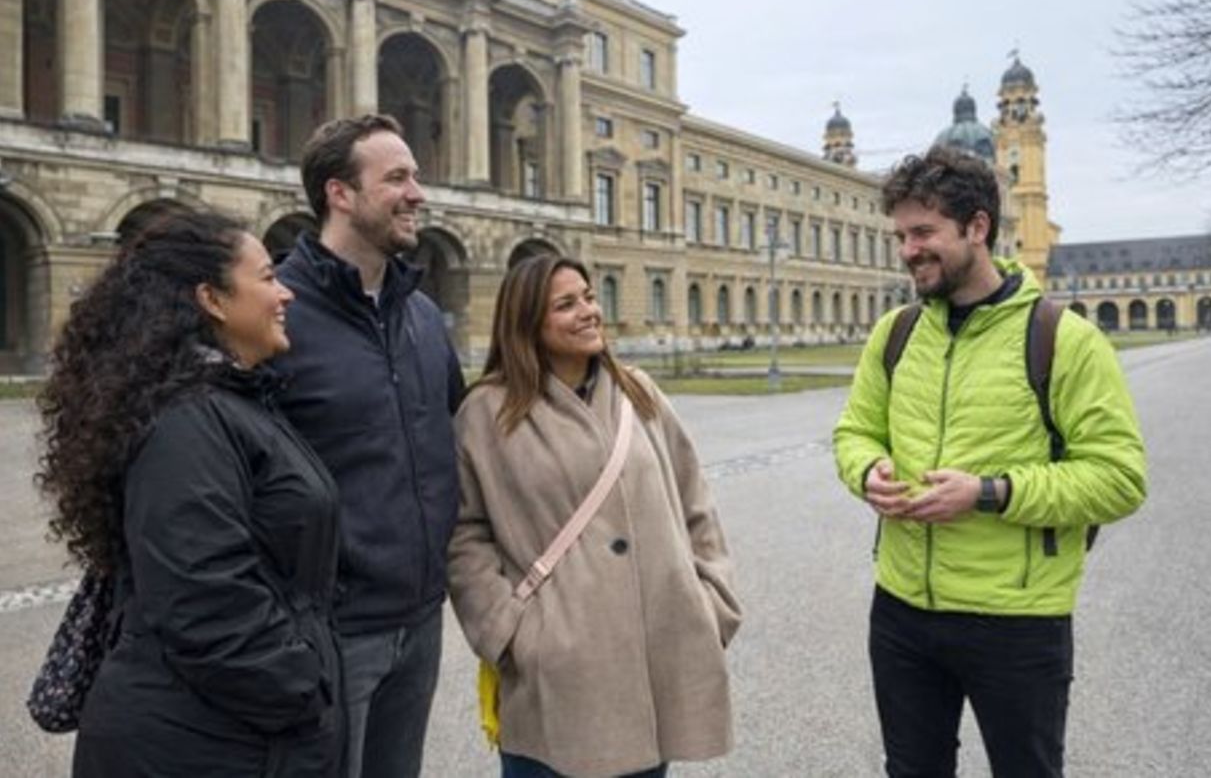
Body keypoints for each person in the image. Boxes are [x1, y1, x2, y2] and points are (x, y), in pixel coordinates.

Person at [832, 146, 1147, 778]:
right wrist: (867, 472)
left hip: (1017, 620)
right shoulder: (894, 333)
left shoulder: (1064, 338)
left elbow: (1119, 478)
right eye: (900, 235)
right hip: (902, 611)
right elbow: (853, 432)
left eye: (923, 232)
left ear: (977, 227)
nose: (907, 250)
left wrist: (989, 492)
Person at [37, 211, 341, 776]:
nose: (287, 293)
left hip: (218, 730)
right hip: (204, 741)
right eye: (269, 277)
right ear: (213, 300)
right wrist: (305, 688)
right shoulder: (189, 418)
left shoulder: (223, 400)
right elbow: (204, 599)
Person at [449, 254, 741, 778]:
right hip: (557, 675)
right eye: (566, 304)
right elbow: (465, 534)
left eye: (587, 296)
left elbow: (694, 497)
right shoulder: (487, 412)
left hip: (656, 660)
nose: (588, 311)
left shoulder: (638, 392)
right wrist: (510, 633)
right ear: (526, 323)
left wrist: (711, 598)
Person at [272, 114, 464, 778]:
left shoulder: (421, 315)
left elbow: (457, 440)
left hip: (420, 618)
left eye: (416, 175)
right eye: (398, 178)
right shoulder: (275, 315)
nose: (419, 192)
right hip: (329, 630)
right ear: (340, 193)